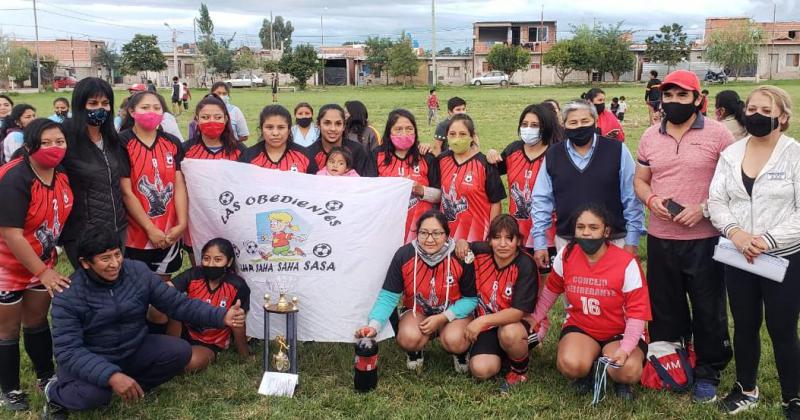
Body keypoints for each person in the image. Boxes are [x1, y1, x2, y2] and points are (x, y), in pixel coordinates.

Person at [42, 226, 245, 418]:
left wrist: (222, 315)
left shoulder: (137, 272)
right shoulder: (68, 293)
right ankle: (53, 391)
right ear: (86, 263)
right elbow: (68, 350)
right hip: (91, 356)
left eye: (117, 254)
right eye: (105, 258)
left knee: (180, 351)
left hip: (132, 348)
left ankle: (132, 386)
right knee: (94, 396)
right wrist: (111, 376)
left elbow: (177, 303)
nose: (115, 264)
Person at [633, 69, 734, 404]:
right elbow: (640, 181)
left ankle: (708, 370)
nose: (673, 102)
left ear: (697, 99)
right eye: (668, 95)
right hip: (661, 237)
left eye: (681, 96)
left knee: (708, 306)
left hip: (705, 238)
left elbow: (733, 186)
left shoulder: (719, 135)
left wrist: (704, 208)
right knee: (665, 305)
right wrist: (651, 200)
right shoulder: (649, 136)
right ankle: (673, 360)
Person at [708, 85, 800, 418]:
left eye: (766, 111)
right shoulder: (731, 153)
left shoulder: (794, 154)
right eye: (752, 109)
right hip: (739, 254)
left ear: (783, 117)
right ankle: (746, 388)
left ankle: (793, 396)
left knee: (782, 327)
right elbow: (717, 200)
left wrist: (767, 240)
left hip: (783, 258)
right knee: (744, 324)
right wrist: (737, 234)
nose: (756, 116)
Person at [530, 204, 651, 400]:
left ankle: (618, 378)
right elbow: (551, 290)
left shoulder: (626, 263)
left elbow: (637, 313)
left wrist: (626, 348)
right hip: (582, 328)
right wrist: (534, 318)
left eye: (593, 228)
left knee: (627, 371)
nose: (586, 233)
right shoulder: (567, 255)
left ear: (606, 231)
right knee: (571, 364)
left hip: (618, 332)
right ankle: (588, 367)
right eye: (581, 227)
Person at [0, 119, 72, 413]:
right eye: (46, 143)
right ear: (29, 146)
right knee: (7, 329)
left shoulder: (62, 174)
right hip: (6, 266)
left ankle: (45, 376)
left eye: (60, 141)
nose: (54, 148)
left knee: (37, 320)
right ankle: (10, 389)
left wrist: (44, 267)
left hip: (42, 260)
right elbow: (10, 233)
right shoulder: (14, 177)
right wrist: (42, 271)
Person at [355, 210, 477, 373]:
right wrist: (374, 326)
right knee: (408, 338)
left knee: (455, 340)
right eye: (424, 233)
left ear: (447, 235)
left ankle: (460, 352)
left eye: (436, 233)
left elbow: (471, 299)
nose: (429, 239)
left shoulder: (460, 255)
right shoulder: (404, 255)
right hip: (417, 311)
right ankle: (415, 350)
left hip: (452, 313)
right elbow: (389, 296)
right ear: (417, 233)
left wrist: (443, 317)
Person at [530, 100, 644, 270]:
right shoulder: (553, 154)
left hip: (613, 240)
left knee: (615, 293)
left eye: (585, 121)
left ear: (595, 121)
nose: (579, 126)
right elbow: (541, 199)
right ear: (564, 124)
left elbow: (632, 198)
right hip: (569, 241)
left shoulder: (618, 151)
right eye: (573, 122)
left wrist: (632, 241)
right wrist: (539, 242)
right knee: (573, 294)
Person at [454, 215, 538, 390]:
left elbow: (518, 312)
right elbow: (465, 245)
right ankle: (503, 353)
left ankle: (519, 369)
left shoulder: (525, 264)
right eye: (497, 238)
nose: (502, 244)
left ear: (518, 241)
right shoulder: (481, 251)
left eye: (509, 238)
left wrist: (482, 321)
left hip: (514, 323)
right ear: (489, 240)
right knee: (480, 370)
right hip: (488, 326)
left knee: (510, 334)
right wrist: (461, 242)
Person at [119, 91, 187, 285]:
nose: (152, 112)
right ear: (132, 111)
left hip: (169, 233)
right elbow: (126, 191)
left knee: (161, 293)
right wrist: (150, 229)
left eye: (157, 108)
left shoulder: (172, 143)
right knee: (135, 291)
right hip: (135, 235)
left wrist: (181, 225)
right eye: (145, 107)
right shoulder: (122, 143)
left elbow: (179, 184)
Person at [61, 77, 128, 269]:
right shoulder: (64, 136)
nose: (100, 108)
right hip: (84, 233)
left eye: (105, 103)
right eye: (93, 103)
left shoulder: (112, 139)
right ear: (80, 104)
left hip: (117, 229)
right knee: (92, 290)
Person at [487, 104, 561, 254]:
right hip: (517, 234)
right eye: (524, 124)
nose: (528, 129)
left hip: (549, 235)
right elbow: (490, 172)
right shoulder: (513, 150)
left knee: (546, 276)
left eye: (535, 125)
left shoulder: (556, 154)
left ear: (545, 127)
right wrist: (490, 154)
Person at [170, 238, 251, 373]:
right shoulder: (194, 274)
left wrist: (244, 354)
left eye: (218, 260)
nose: (211, 264)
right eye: (206, 259)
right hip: (184, 331)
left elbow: (238, 322)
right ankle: (169, 345)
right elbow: (166, 289)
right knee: (168, 303)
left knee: (191, 363)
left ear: (229, 262)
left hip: (211, 341)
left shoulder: (238, 285)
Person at [374, 109, 441, 243]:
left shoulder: (426, 157)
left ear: (415, 131)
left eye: (409, 129)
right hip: (386, 229)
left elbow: (441, 195)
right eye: (398, 129)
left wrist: (423, 191)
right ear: (389, 132)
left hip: (421, 231)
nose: (404, 133)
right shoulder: (376, 156)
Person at [438, 113, 506, 241]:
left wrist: (491, 235)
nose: (457, 138)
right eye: (452, 134)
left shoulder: (486, 164)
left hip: (477, 238)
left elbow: (496, 203)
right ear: (447, 136)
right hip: (445, 239)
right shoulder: (441, 160)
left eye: (462, 134)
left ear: (472, 136)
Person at [241, 105, 317, 174]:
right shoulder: (248, 156)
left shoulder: (305, 156)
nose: (275, 133)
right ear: (261, 129)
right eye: (269, 127)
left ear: (289, 130)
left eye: (281, 127)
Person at [307, 104, 375, 176]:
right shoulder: (308, 154)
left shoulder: (358, 151)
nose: (333, 129)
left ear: (344, 126)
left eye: (338, 124)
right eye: (327, 123)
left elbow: (365, 182)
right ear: (318, 125)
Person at [184, 95, 245, 162]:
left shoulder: (240, 150)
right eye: (205, 117)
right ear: (197, 120)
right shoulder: (185, 149)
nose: (212, 121)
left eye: (218, 117)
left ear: (225, 119)